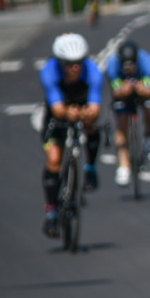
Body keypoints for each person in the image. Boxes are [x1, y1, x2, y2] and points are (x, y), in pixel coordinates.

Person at [39, 33, 104, 238]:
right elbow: (57, 109)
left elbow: (95, 107)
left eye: (78, 63)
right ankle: (51, 211)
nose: (74, 68)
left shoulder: (93, 72)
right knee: (54, 159)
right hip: (57, 114)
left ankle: (90, 168)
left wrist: (87, 113)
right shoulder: (49, 72)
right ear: (60, 63)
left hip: (82, 104)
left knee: (93, 126)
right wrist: (68, 113)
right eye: (68, 64)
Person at [105, 40, 150, 187]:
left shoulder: (146, 62)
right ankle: (123, 166)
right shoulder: (113, 66)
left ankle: (149, 137)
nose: (128, 68)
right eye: (126, 66)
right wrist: (123, 91)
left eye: (131, 65)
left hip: (142, 88)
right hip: (123, 93)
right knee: (121, 123)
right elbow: (116, 91)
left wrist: (142, 89)